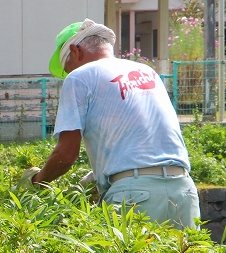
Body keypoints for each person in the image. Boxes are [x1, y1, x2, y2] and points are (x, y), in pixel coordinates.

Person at [22, 19, 200, 229]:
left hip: (135, 196)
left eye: (66, 68)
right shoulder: (147, 72)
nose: (68, 75)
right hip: (184, 191)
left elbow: (66, 156)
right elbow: (140, 140)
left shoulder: (80, 77)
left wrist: (36, 181)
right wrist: (100, 176)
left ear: (75, 51)